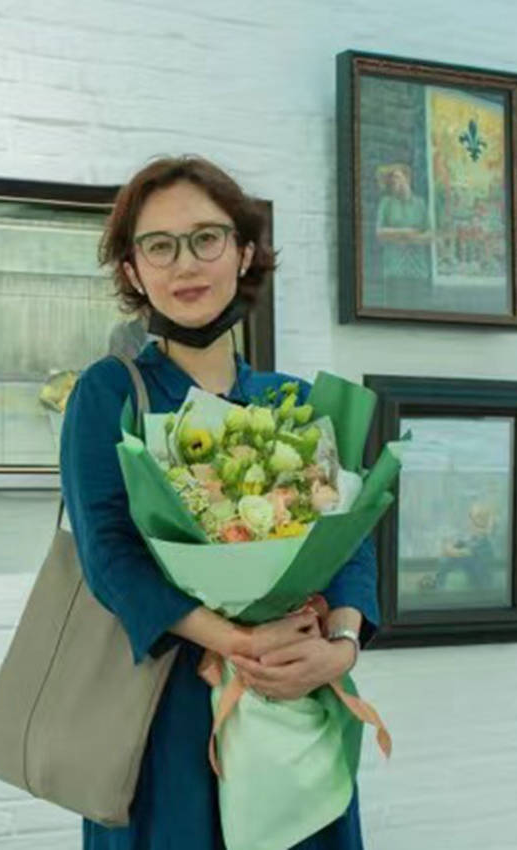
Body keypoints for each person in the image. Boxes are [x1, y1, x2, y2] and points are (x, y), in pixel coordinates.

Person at [60, 155, 380, 850]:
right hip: (164, 716)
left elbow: (349, 543)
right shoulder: (108, 394)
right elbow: (109, 558)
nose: (186, 264)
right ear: (132, 271)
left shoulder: (291, 402)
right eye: (159, 246)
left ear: (244, 252)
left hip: (293, 700)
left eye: (206, 238)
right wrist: (241, 644)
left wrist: (341, 649)